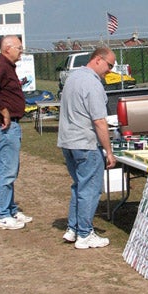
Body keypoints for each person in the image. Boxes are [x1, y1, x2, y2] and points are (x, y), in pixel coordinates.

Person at [57, 47, 117, 249]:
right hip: (85, 143)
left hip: (68, 141)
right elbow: (99, 121)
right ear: (98, 60)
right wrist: (109, 151)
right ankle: (85, 233)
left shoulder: (73, 77)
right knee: (90, 188)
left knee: (79, 186)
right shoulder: (93, 83)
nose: (110, 70)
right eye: (109, 65)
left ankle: (73, 229)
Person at [0, 35, 33, 230]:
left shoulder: (7, 66)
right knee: (6, 170)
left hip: (11, 126)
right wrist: (4, 111)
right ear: (7, 48)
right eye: (19, 48)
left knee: (10, 169)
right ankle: (3, 215)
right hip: (4, 126)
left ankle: (11, 209)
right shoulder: (0, 66)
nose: (21, 51)